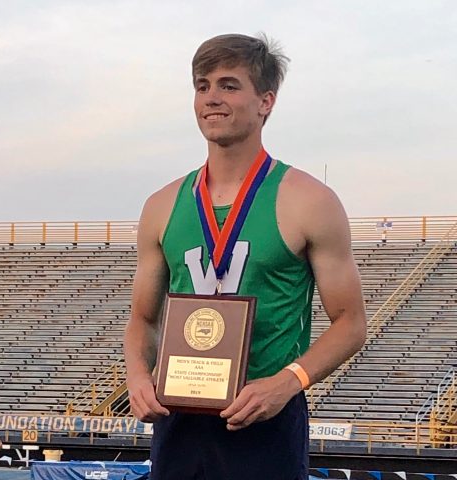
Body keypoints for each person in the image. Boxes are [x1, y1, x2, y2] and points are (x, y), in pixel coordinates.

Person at [124, 33, 366, 480]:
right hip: (177, 417)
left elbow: (351, 322)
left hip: (264, 415)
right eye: (202, 86)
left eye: (229, 85)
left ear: (266, 101)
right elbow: (143, 318)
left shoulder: (309, 201)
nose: (211, 98)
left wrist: (287, 383)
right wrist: (138, 377)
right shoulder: (161, 205)